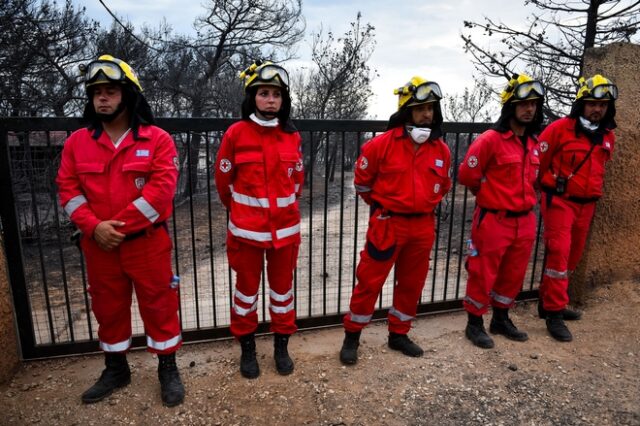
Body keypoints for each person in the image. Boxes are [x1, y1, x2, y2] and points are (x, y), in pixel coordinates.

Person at [56, 55, 184, 406]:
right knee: (107, 309)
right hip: (99, 247)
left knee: (159, 306)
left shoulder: (158, 140)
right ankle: (116, 368)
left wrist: (116, 227)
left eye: (110, 91)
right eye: (96, 92)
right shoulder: (76, 143)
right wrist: (94, 227)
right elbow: (67, 189)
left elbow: (160, 192)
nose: (102, 98)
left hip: (147, 245)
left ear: (128, 95)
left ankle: (167, 368)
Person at [339, 76, 452, 365]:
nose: (428, 114)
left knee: (412, 283)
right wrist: (383, 208)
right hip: (388, 224)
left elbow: (444, 187)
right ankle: (352, 336)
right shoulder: (381, 145)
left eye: (432, 108)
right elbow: (362, 184)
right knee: (369, 281)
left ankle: (398, 334)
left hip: (423, 226)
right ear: (407, 110)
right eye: (421, 108)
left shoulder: (441, 150)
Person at [214, 60, 303, 379]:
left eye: (276, 94)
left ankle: (281, 347)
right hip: (246, 234)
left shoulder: (292, 136)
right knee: (246, 294)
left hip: (285, 234)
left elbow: (297, 181)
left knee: (282, 294)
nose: (270, 100)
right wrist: (242, 211)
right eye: (264, 93)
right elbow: (224, 184)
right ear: (252, 97)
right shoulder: (236, 134)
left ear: (283, 100)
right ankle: (248, 350)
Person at [458, 74, 545, 349]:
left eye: (533, 104)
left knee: (514, 273)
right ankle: (474, 323)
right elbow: (467, 175)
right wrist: (486, 196)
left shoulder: (533, 143)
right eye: (523, 103)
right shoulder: (489, 140)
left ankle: (501, 318)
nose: (529, 109)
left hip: (525, 220)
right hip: (494, 220)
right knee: (483, 272)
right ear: (510, 106)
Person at [537, 74, 618, 342]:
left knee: (572, 257)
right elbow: (540, 162)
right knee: (558, 256)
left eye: (603, 105)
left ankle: (548, 301)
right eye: (593, 103)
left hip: (587, 205)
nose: (598, 109)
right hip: (560, 201)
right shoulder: (559, 129)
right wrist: (548, 187)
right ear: (581, 103)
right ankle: (554, 313)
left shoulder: (607, 136)